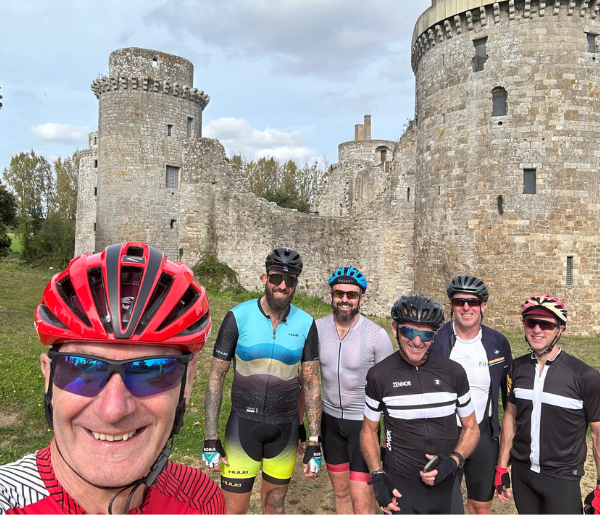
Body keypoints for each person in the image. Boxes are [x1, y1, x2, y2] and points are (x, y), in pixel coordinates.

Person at [0, 242, 225, 514]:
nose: (113, 411)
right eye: (83, 367)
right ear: (48, 377)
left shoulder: (201, 499)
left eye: (151, 369)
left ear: (187, 384)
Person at [202, 247, 322, 514]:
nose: (282, 285)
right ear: (264, 279)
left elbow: (312, 383)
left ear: (296, 285)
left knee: (275, 509)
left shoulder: (306, 323)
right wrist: (210, 436)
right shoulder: (238, 316)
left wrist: (314, 440)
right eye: (276, 277)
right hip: (242, 426)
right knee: (232, 511)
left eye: (289, 280)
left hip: (285, 430)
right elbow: (216, 376)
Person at [361, 293, 480, 515]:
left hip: (446, 484)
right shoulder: (379, 375)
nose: (417, 342)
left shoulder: (453, 372)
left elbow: (471, 426)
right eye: (409, 331)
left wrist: (454, 461)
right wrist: (377, 476)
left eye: (425, 334)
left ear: (434, 336)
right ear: (395, 329)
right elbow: (369, 429)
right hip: (401, 487)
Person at [496, 295, 600, 514]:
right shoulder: (516, 368)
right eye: (530, 322)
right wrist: (502, 466)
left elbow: (598, 435)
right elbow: (510, 418)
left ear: (559, 329)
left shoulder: (585, 375)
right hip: (523, 475)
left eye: (545, 324)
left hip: (562, 479)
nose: (537, 329)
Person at [430, 275, 512, 514]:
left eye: (472, 302)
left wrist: (505, 457)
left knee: (479, 507)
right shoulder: (436, 341)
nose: (466, 307)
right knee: (446, 506)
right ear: (451, 305)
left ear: (483, 306)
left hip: (484, 435)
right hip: (447, 434)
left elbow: (509, 403)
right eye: (459, 301)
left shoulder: (498, 342)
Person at [317, 266, 393, 514]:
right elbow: (305, 378)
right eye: (339, 293)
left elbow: (389, 390)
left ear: (361, 298)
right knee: (340, 494)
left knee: (362, 502)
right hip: (330, 423)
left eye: (351, 294)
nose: (345, 299)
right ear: (331, 295)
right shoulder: (316, 329)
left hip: (363, 426)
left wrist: (387, 436)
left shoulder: (377, 335)